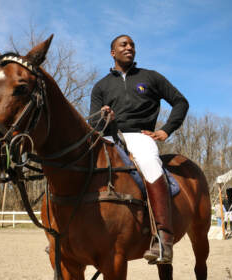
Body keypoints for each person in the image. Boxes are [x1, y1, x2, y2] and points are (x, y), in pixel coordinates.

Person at [89, 35, 189, 264]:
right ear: (112, 52)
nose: (129, 47)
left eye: (132, 44)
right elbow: (94, 123)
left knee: (151, 165)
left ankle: (163, 237)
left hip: (139, 136)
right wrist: (106, 119)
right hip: (108, 137)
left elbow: (180, 102)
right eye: (123, 44)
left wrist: (166, 130)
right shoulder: (101, 86)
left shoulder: (150, 77)